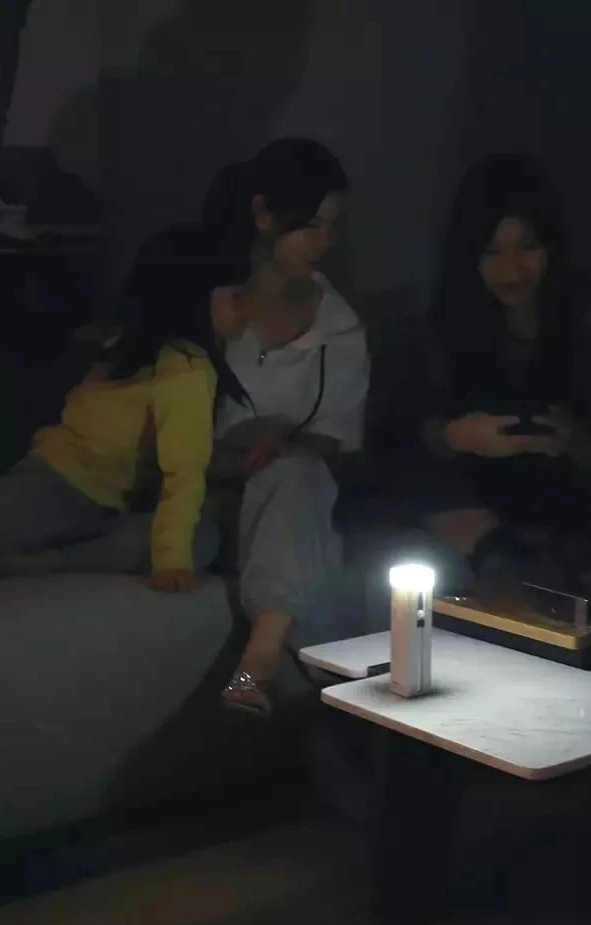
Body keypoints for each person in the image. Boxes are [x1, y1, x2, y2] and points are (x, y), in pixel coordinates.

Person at [0, 226, 248, 588]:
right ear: (193, 298)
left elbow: (182, 461)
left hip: (106, 506)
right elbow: (184, 470)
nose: (249, 309)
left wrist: (173, 556)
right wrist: (171, 563)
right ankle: (38, 560)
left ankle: (38, 564)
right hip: (58, 481)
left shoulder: (154, 351)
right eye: (237, 296)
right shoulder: (184, 364)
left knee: (197, 539)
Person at [406, 153, 591, 581]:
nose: (511, 270)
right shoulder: (447, 320)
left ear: (551, 246)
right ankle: (498, 557)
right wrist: (458, 435)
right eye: (492, 251)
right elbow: (411, 432)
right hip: (473, 491)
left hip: (565, 491)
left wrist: (572, 440)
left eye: (528, 247)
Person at [204, 138, 369, 717]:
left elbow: (340, 441)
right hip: (203, 493)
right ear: (264, 214)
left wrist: (285, 443)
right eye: (310, 226)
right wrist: (231, 453)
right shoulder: (214, 305)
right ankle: (335, 714)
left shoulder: (338, 327)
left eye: (333, 227)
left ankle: (258, 664)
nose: (324, 243)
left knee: (300, 475)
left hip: (284, 494)